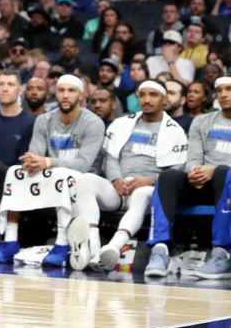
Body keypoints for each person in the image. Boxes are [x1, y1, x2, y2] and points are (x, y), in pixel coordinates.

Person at [71, 80, 187, 271]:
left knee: (142, 194)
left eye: (153, 95)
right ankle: (93, 247)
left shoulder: (176, 131)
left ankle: (115, 246)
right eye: (142, 95)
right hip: (120, 187)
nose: (146, 99)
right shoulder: (121, 123)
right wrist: (116, 179)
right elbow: (111, 158)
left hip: (149, 191)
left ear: (164, 99)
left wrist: (150, 180)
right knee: (85, 180)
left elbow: (177, 169)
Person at [0, 75, 105, 267]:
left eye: (71, 91)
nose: (65, 95)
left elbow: (84, 164)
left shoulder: (93, 123)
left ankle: (62, 243)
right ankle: (10, 241)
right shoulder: (44, 120)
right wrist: (31, 161)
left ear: (81, 95)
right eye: (62, 90)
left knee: (61, 175)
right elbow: (35, 154)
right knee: (14, 171)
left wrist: (47, 161)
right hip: (53, 173)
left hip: (85, 180)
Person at [146, 76, 231, 278]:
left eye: (229, 89)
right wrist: (194, 172)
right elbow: (192, 157)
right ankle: (160, 249)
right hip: (204, 183)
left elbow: (220, 171)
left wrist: (215, 169)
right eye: (220, 90)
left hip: (226, 182)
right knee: (168, 177)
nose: (224, 94)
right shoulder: (201, 122)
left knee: (224, 173)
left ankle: (222, 253)